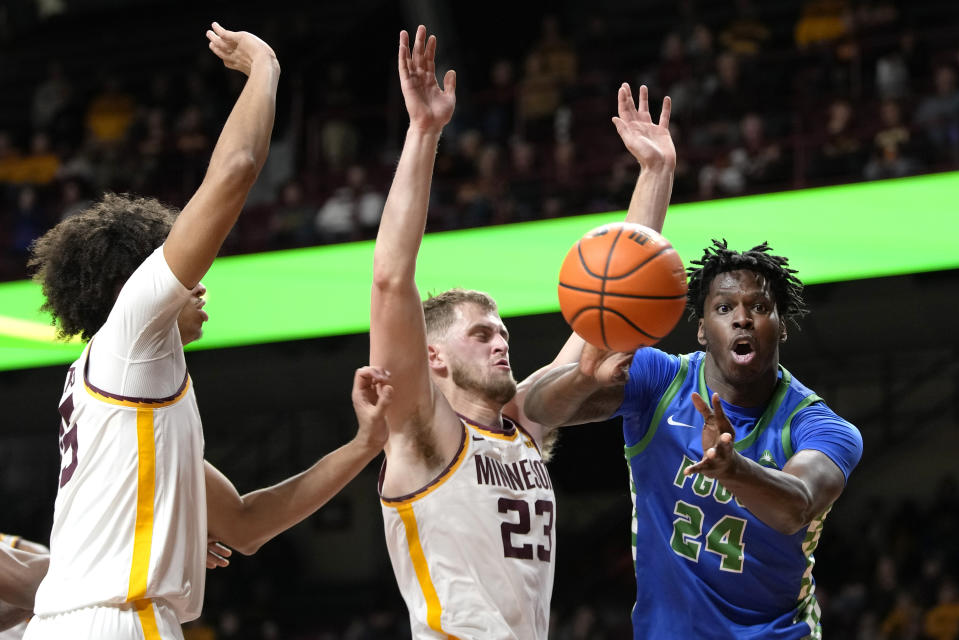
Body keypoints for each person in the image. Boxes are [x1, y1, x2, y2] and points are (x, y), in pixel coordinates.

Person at [23, 24, 392, 640]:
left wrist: (364, 443)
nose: (199, 284)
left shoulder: (129, 395)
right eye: (184, 271)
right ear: (136, 280)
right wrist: (266, 67)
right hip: (114, 624)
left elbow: (246, 524)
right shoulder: (133, 333)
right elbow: (236, 170)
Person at [370, 25, 676, 638]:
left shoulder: (524, 427)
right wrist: (424, 132)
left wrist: (656, 172)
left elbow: (610, 309)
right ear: (431, 356)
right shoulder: (422, 431)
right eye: (480, 334)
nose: (501, 340)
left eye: (502, 330)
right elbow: (390, 280)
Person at [524, 240, 864, 638]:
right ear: (702, 330)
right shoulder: (659, 381)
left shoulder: (822, 428)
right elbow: (539, 410)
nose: (742, 319)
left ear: (781, 326)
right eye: (724, 308)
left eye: (759, 307)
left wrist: (732, 468)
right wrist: (585, 377)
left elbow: (794, 509)